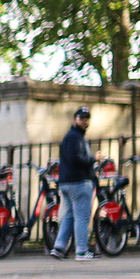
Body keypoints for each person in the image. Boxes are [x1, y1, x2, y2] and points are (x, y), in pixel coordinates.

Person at [53, 106, 97, 259]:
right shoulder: (75, 137)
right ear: (75, 120)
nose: (85, 122)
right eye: (82, 119)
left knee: (69, 216)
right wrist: (93, 160)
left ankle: (59, 247)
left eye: (87, 119)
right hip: (78, 181)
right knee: (82, 217)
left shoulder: (71, 136)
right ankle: (82, 250)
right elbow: (77, 159)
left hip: (66, 182)